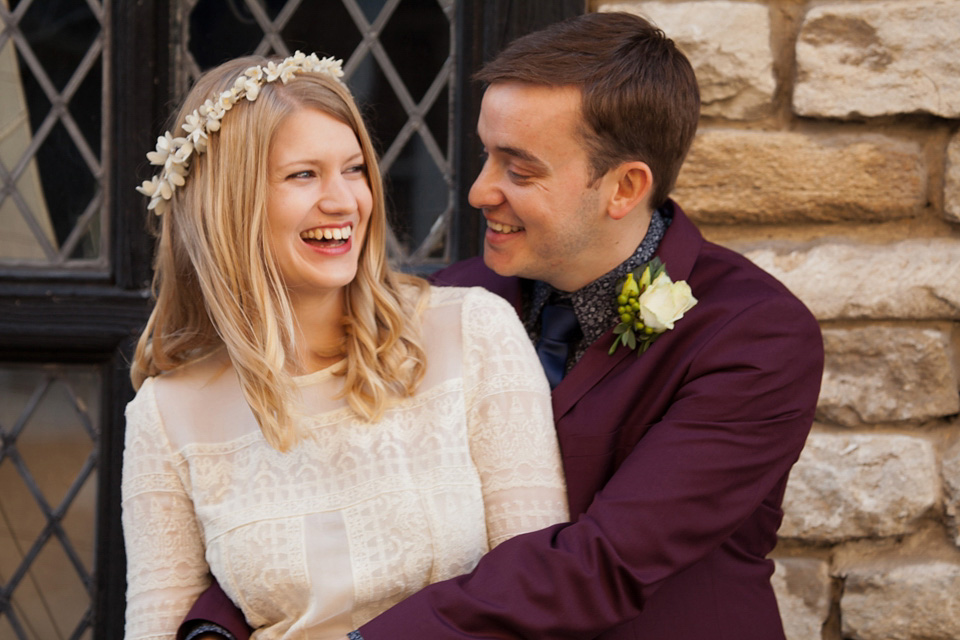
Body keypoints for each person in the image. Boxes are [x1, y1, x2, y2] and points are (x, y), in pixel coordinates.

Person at [180, 11, 824, 640]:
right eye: (486, 156)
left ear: (624, 187)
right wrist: (223, 622)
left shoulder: (756, 338)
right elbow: (319, 488)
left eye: (519, 169)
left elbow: (604, 564)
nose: (479, 191)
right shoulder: (454, 301)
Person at [121, 51, 569, 640]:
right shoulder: (167, 413)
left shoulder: (473, 332)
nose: (343, 201)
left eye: (354, 169)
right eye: (303, 175)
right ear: (229, 204)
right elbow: (158, 625)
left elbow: (537, 590)